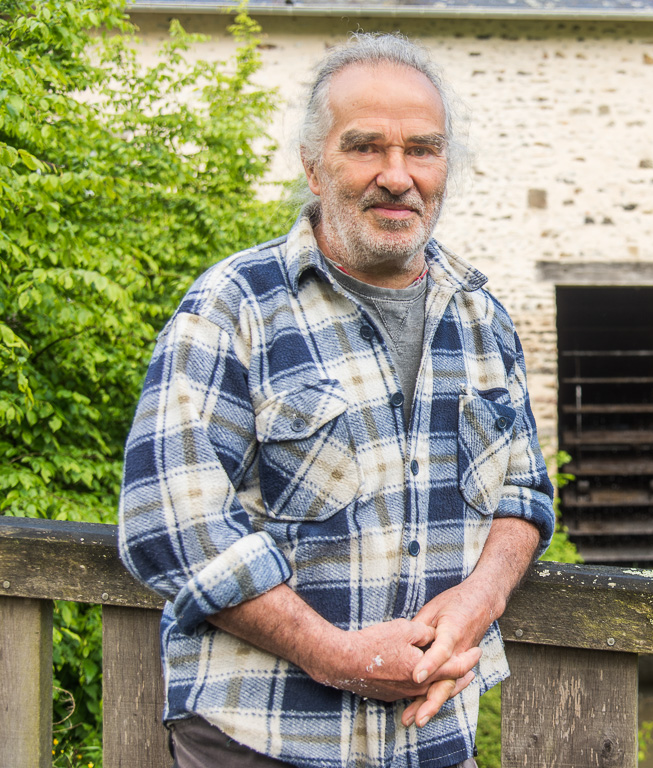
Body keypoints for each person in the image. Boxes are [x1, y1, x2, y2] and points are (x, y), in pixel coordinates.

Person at [118, 32, 554, 768]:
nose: (397, 174)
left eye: (422, 149)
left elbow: (524, 492)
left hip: (432, 738)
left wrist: (483, 597)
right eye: (365, 147)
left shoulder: (483, 317)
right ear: (314, 166)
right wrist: (333, 655)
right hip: (263, 741)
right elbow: (167, 523)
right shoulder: (234, 306)